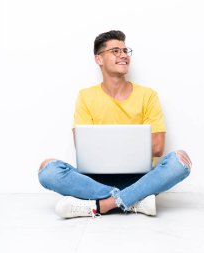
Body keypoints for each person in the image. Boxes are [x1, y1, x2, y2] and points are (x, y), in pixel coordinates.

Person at [38, 30, 192, 219]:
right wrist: (129, 145)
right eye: (115, 51)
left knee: (180, 162)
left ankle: (101, 205)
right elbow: (83, 146)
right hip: (94, 181)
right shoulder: (86, 96)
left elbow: (158, 147)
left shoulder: (147, 95)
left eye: (125, 50)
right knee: (48, 170)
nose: (123, 55)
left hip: (140, 178)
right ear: (99, 59)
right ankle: (133, 201)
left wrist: (109, 146)